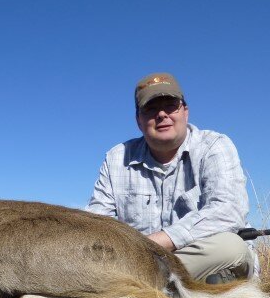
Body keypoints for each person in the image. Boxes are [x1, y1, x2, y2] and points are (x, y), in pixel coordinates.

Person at [86, 72, 256, 283]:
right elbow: (95, 222)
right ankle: (164, 289)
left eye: (170, 105)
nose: (162, 114)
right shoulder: (116, 158)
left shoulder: (214, 145)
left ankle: (139, 286)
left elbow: (228, 211)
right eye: (151, 108)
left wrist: (151, 244)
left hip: (197, 259)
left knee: (232, 248)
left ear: (185, 112)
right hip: (141, 263)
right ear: (139, 120)